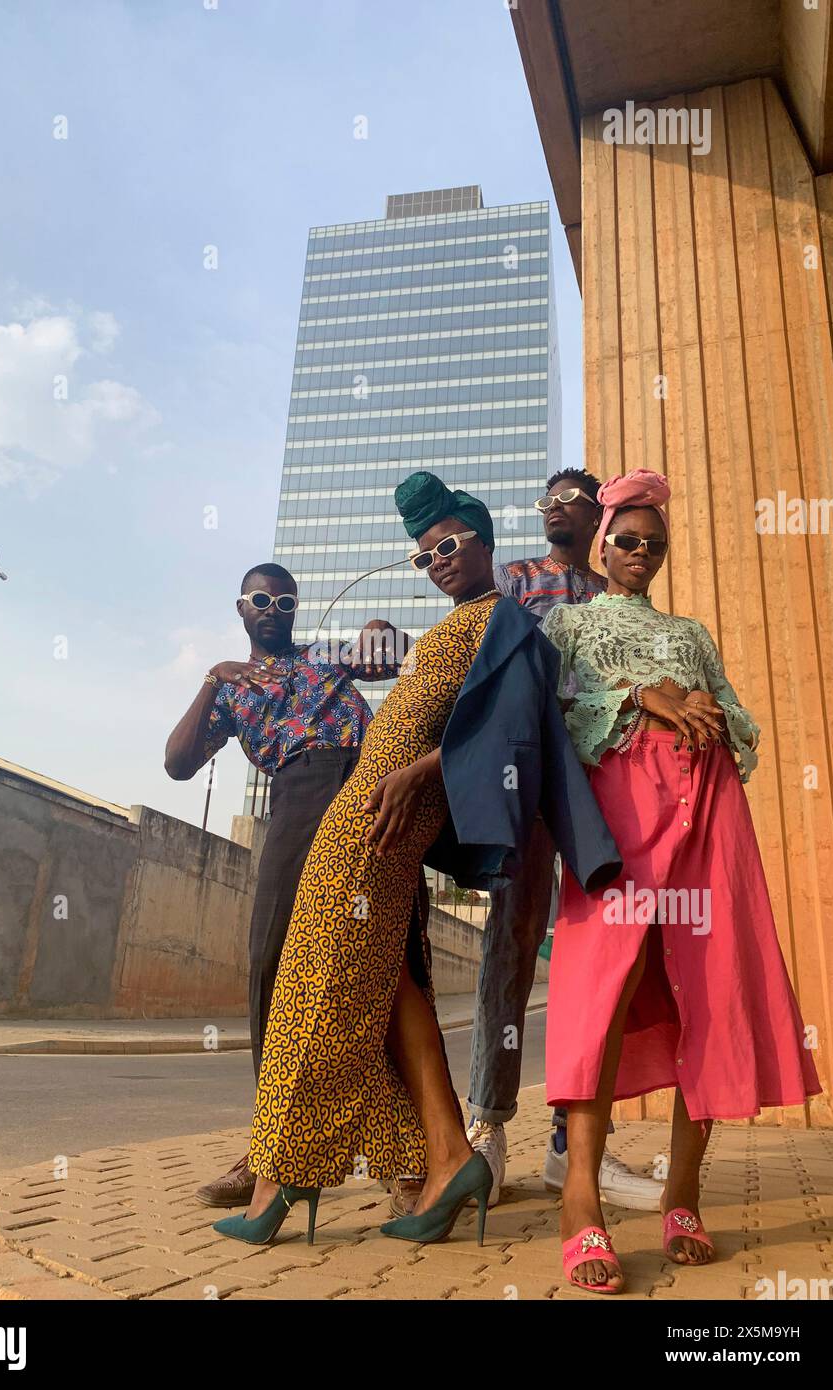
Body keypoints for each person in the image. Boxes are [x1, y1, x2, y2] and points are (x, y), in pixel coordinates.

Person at [212, 472, 621, 1248]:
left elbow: (509, 734)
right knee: (384, 983)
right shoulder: (449, 629)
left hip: (379, 819)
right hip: (364, 811)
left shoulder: (504, 620)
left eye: (448, 545)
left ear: (485, 546)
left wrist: (418, 775)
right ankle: (443, 1158)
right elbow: (351, 664)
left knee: (316, 979)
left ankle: (280, 1174)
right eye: (422, 554)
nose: (434, 560)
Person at [541, 468, 821, 1294]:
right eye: (626, 540)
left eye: (653, 545)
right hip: (619, 808)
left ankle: (682, 1194)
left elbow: (741, 718)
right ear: (602, 543)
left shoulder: (691, 631)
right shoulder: (567, 623)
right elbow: (557, 710)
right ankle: (580, 1203)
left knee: (710, 987)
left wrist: (702, 702)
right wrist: (644, 694)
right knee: (605, 990)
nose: (640, 554)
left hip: (707, 805)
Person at [165, 562, 406, 1208]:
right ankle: (272, 1145)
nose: (273, 607)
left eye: (284, 599)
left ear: (296, 609)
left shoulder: (325, 656)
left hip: (371, 780)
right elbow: (177, 764)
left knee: (396, 955)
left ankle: (412, 1154)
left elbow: (388, 655)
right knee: (271, 960)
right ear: (241, 609)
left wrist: (380, 635)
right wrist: (212, 676)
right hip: (299, 791)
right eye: (260, 599)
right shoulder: (232, 690)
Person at [466, 469, 663, 1212]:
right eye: (545, 499)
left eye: (569, 499)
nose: (552, 508)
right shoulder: (516, 579)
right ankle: (485, 1126)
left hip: (600, 788)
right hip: (529, 779)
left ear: (599, 516)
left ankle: (571, 1141)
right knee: (509, 939)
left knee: (596, 955)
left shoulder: (619, 595)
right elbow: (491, 671)